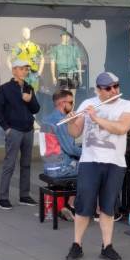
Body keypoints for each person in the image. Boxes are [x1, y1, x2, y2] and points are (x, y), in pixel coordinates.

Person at [65, 72, 130, 260]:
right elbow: (75, 132)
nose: (113, 90)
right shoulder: (87, 103)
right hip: (89, 161)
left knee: (108, 205)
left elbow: (121, 128)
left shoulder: (127, 106)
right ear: (98, 90)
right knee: (83, 204)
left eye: (116, 86)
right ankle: (77, 244)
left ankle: (107, 246)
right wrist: (71, 122)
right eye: (108, 88)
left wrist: (96, 118)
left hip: (115, 162)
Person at [0, 58, 41, 210]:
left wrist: (29, 100)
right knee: (9, 164)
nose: (24, 71)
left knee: (26, 164)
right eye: (21, 68)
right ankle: (3, 198)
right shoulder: (4, 89)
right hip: (14, 130)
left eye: (26, 69)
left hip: (28, 130)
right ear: (14, 70)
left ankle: (24, 196)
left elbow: (36, 109)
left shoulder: (29, 87)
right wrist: (6, 128)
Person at [41, 89, 83, 219]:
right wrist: (89, 152)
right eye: (71, 102)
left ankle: (68, 205)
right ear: (62, 103)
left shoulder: (47, 119)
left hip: (48, 166)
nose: (73, 105)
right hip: (60, 167)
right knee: (91, 169)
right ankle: (71, 205)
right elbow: (70, 149)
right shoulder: (61, 121)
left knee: (82, 163)